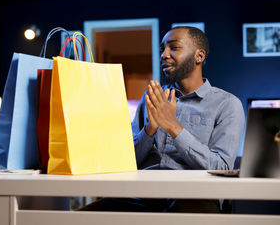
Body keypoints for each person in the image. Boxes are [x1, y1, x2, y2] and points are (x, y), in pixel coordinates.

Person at [80, 26, 245, 213]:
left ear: (199, 56)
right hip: (142, 194)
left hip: (195, 195)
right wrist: (149, 129)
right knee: (81, 218)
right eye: (162, 49)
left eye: (174, 47)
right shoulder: (152, 98)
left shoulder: (227, 104)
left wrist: (173, 126)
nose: (164, 55)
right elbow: (127, 162)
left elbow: (221, 168)